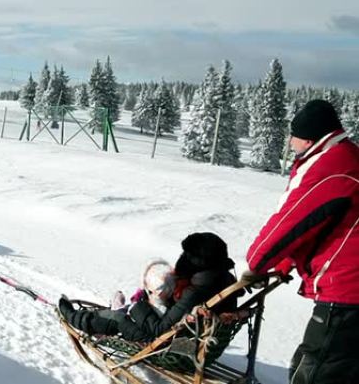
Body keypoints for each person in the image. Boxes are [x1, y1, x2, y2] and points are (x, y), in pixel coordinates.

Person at [245, 99, 359, 384]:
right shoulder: (346, 155)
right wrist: (285, 262)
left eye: (292, 135)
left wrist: (257, 263)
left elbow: (292, 221)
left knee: (314, 371)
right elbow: (325, 225)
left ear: (308, 138)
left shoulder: (332, 165)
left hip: (348, 290)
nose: (290, 140)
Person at [59, 232, 238, 342]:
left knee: (120, 319)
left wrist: (140, 307)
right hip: (193, 335)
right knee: (131, 311)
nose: (182, 257)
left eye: (187, 254)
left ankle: (74, 317)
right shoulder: (224, 279)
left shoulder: (195, 292)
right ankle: (116, 310)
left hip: (169, 343)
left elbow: (159, 330)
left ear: (198, 262)